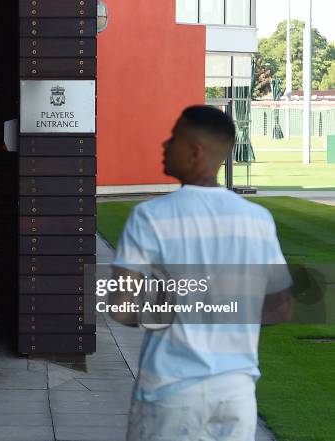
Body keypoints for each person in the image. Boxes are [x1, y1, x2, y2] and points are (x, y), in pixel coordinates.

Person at [111, 106, 293, 441]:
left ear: (195, 152)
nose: (165, 145)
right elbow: (281, 307)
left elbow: (123, 307)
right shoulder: (257, 220)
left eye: (174, 138)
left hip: (170, 392)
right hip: (235, 395)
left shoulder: (149, 217)